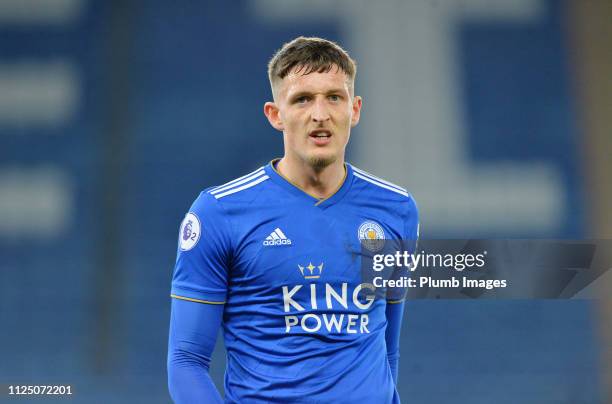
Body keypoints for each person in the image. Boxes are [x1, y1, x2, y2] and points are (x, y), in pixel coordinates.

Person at [167, 36, 419, 403]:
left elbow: (387, 350)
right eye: (303, 99)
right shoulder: (219, 212)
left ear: (355, 109)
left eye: (334, 97)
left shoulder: (397, 209)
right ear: (275, 115)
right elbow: (186, 362)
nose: (320, 114)